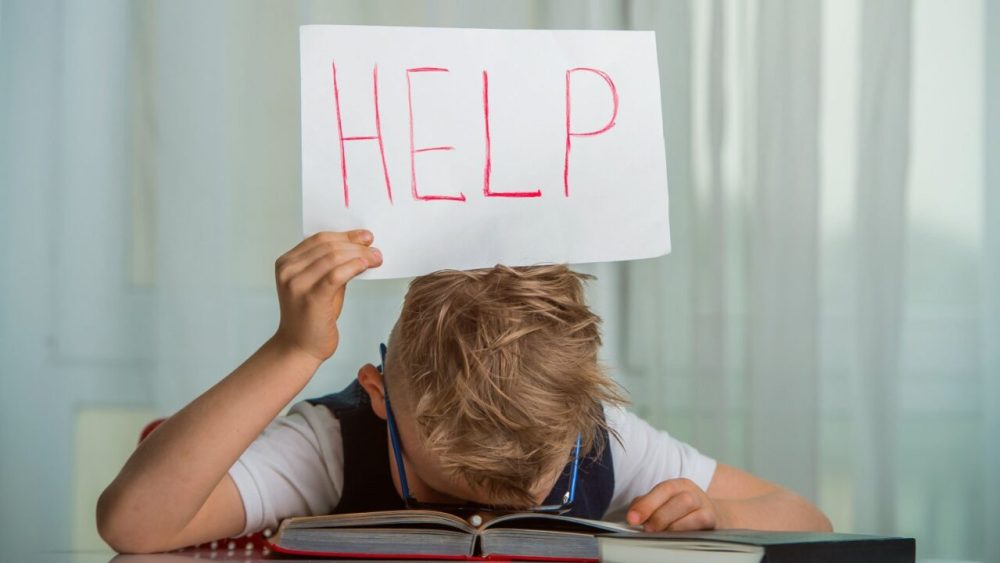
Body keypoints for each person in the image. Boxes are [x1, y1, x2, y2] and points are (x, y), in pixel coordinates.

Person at [97, 230, 831, 554]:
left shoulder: (603, 437)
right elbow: (133, 524)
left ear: (580, 417)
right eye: (437, 484)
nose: (476, 516)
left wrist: (718, 511)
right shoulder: (331, 444)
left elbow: (808, 520)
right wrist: (293, 350)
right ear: (377, 393)